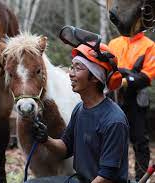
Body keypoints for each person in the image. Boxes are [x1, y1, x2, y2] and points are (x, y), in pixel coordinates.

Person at [32, 43, 129, 183]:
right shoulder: (80, 109)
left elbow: (107, 177)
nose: (70, 73)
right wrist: (45, 139)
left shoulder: (114, 121)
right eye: (72, 67)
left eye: (77, 68)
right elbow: (65, 148)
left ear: (95, 77)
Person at [108, 32, 154, 181]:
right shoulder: (114, 43)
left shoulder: (148, 45)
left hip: (136, 98)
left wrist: (127, 80)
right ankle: (114, 176)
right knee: (113, 139)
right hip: (114, 97)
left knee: (140, 140)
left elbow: (147, 76)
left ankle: (141, 178)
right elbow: (107, 69)